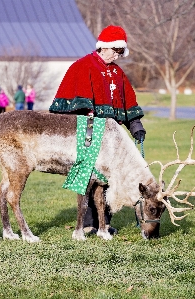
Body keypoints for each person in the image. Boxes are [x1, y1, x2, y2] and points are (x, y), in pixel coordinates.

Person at [49, 25, 146, 235]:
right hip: (89, 135)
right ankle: (88, 223)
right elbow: (70, 105)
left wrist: (136, 126)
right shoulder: (83, 66)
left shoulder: (117, 73)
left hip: (112, 141)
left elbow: (128, 101)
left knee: (110, 179)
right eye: (115, 51)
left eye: (121, 52)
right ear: (104, 46)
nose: (117, 56)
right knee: (90, 178)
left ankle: (105, 222)